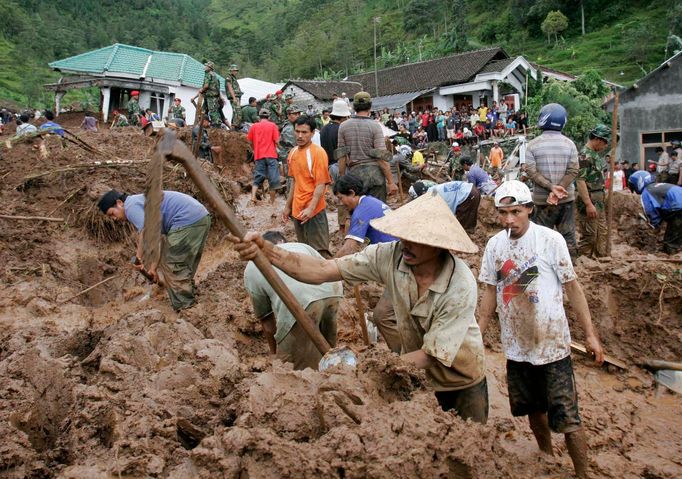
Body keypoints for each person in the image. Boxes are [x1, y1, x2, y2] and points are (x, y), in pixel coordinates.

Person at [231, 192, 488, 422]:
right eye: (404, 235)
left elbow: (432, 355)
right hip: (420, 378)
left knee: (470, 449)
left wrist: (371, 370)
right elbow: (322, 269)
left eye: (417, 239)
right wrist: (267, 251)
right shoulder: (391, 255)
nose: (406, 244)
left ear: (439, 244)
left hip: (461, 380)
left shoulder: (459, 284)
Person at [478, 180, 604, 479]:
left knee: (568, 416)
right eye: (503, 213)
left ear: (530, 210)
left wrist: (590, 334)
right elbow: (489, 294)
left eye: (516, 212)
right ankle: (546, 456)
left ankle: (583, 473)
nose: (509, 219)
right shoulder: (495, 246)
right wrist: (478, 333)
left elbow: (573, 288)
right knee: (532, 409)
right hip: (516, 345)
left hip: (552, 344)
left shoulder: (550, 240)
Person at [244, 230, 342, 370]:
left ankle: (312, 373)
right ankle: (333, 369)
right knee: (327, 343)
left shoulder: (252, 266)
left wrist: (274, 354)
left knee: (291, 365)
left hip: (301, 299)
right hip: (333, 288)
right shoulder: (301, 246)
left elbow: (267, 323)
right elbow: (325, 266)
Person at [98, 189, 211, 310]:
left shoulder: (130, 207)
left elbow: (150, 234)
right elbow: (154, 237)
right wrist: (146, 262)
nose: (114, 218)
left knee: (173, 267)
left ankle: (185, 308)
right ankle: (189, 301)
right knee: (181, 266)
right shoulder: (138, 201)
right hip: (200, 217)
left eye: (112, 213)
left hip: (186, 220)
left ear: (120, 203)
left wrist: (149, 265)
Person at [333, 175, 401, 353]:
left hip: (402, 265)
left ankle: (405, 358)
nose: (341, 204)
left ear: (352, 193)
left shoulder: (362, 210)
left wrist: (327, 267)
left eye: (341, 198)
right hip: (401, 257)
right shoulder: (372, 202)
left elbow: (350, 247)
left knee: (383, 316)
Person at [525, 103, 579, 258]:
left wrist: (550, 187)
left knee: (540, 238)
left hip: (542, 201)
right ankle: (571, 270)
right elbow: (573, 170)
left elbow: (531, 171)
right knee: (568, 236)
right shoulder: (569, 144)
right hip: (566, 198)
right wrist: (559, 188)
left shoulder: (532, 145)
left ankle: (542, 268)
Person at [284, 115, 332, 258]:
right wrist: (288, 206)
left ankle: (330, 280)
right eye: (297, 131)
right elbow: (294, 181)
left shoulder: (318, 153)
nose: (300, 135)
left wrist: (311, 208)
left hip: (314, 210)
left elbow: (321, 183)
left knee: (321, 252)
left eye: (304, 132)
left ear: (312, 133)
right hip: (298, 210)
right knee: (304, 251)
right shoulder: (293, 153)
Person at [337, 91, 398, 202]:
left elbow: (341, 156)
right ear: (370, 106)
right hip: (375, 177)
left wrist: (341, 178)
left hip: (354, 177)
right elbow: (381, 157)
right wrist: (391, 182)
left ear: (354, 107)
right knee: (378, 214)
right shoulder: (375, 126)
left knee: (359, 213)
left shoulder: (343, 126)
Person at [575, 124, 611, 258]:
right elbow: (580, 181)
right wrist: (588, 204)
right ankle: (582, 261)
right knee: (590, 235)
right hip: (589, 198)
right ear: (598, 139)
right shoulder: (584, 156)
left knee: (602, 232)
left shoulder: (595, 155)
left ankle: (601, 258)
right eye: (605, 142)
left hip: (598, 197)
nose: (605, 146)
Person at [629, 171, 682, 254]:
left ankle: (671, 259)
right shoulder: (659, 186)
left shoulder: (646, 192)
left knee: (669, 243)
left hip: (678, 210)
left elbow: (651, 211)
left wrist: (655, 225)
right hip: (677, 208)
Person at [409, 179, 481, 233]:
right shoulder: (433, 189)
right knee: (470, 213)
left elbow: (440, 213)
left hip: (467, 194)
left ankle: (463, 238)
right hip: (472, 189)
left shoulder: (431, 195)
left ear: (421, 194)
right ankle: (470, 230)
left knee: (461, 222)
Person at [247, 108, 282, 203]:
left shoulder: (254, 126)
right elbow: (277, 141)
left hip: (259, 155)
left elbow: (249, 141)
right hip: (271, 155)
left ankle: (253, 197)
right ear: (269, 117)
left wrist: (255, 149)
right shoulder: (273, 125)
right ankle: (272, 201)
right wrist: (282, 150)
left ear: (259, 117)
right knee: (273, 178)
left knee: (258, 177)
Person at [320, 99, 351, 184]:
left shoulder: (323, 129)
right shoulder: (341, 129)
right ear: (343, 117)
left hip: (329, 168)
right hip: (341, 167)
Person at [194, 61, 223, 128]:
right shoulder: (215, 75)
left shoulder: (208, 74)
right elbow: (218, 86)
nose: (205, 67)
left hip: (211, 96)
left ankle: (217, 126)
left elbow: (206, 85)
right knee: (203, 110)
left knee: (213, 111)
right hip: (211, 96)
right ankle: (203, 123)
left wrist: (202, 90)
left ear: (210, 68)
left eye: (206, 66)